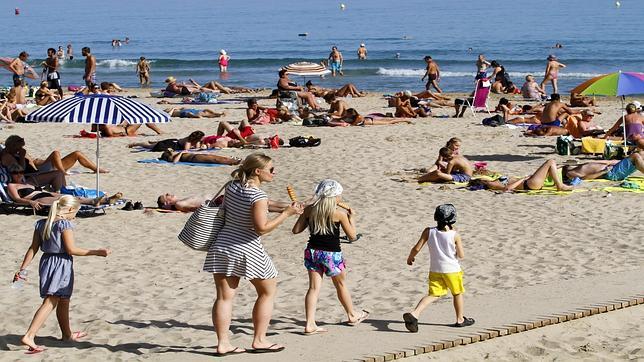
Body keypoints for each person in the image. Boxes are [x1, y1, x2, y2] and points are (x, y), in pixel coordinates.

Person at [204, 153, 303, 355]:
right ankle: (259, 340)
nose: (274, 173)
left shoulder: (233, 186)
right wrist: (286, 214)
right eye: (271, 170)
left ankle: (223, 344)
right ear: (258, 171)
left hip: (222, 245)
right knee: (267, 291)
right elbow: (261, 228)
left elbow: (260, 204)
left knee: (224, 298)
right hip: (247, 248)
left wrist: (286, 206)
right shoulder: (258, 195)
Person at [13, 195, 111, 353]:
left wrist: (22, 268)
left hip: (46, 262)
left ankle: (67, 335)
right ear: (70, 209)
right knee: (51, 300)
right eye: (75, 213)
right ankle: (29, 335)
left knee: (64, 299)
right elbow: (71, 249)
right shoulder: (64, 224)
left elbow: (33, 248)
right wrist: (97, 252)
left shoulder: (41, 223)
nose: (75, 216)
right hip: (60, 263)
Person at [292, 179, 369, 334]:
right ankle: (352, 315)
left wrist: (305, 215)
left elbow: (296, 230)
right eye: (339, 195)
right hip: (331, 254)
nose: (340, 198)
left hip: (313, 252)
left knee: (313, 288)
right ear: (334, 196)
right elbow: (352, 236)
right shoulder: (338, 214)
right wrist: (351, 218)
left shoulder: (310, 210)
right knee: (340, 285)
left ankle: (309, 324)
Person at [403, 204, 474, 333]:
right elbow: (461, 255)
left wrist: (410, 257)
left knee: (434, 294)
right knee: (457, 293)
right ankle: (460, 319)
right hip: (452, 270)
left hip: (435, 269)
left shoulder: (428, 231)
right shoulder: (455, 235)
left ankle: (415, 313)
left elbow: (416, 248)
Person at [1, 135, 107, 175]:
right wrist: (23, 157)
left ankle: (97, 169)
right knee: (56, 153)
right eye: (19, 147)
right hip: (40, 170)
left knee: (77, 154)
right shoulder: (8, 155)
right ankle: (62, 172)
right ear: (12, 146)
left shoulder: (15, 151)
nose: (21, 149)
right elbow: (21, 170)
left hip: (47, 165)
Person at [472, 159, 573, 192]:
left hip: (529, 182)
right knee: (550, 162)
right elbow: (507, 189)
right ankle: (560, 186)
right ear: (482, 181)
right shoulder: (491, 184)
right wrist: (522, 179)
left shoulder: (493, 180)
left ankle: (560, 183)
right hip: (528, 184)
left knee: (556, 166)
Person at [562, 150, 644, 182]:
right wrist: (603, 171)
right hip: (611, 174)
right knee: (636, 156)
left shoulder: (577, 167)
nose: (566, 165)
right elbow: (584, 178)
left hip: (613, 168)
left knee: (641, 153)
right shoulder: (571, 173)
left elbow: (606, 162)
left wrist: (621, 161)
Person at [128, 131, 205, 151]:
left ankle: (155, 142)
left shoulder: (196, 141)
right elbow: (187, 149)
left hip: (174, 141)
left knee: (154, 144)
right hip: (172, 144)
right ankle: (136, 143)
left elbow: (197, 148)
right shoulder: (188, 141)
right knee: (149, 146)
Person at [334, 108, 413, 126]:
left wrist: (345, 123)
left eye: (347, 113)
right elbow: (341, 119)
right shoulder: (351, 116)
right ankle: (402, 119)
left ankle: (403, 120)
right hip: (370, 120)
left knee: (389, 121)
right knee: (388, 120)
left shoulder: (359, 117)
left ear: (351, 114)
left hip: (371, 121)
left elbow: (354, 124)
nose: (346, 115)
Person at [159, 149, 241, 165]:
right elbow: (174, 162)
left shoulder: (175, 154)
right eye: (171, 151)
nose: (173, 151)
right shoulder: (172, 157)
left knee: (216, 157)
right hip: (194, 158)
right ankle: (233, 162)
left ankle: (232, 160)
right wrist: (181, 153)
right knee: (215, 160)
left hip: (195, 155)